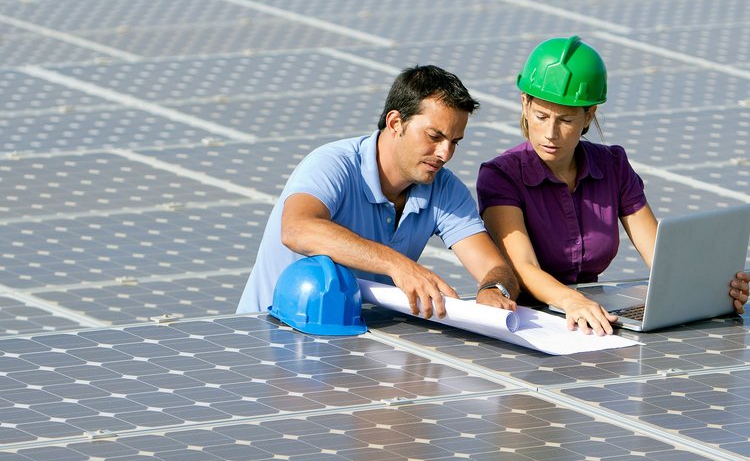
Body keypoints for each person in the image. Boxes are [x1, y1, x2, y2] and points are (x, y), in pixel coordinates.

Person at [476, 35, 750, 336]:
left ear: (588, 115)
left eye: (566, 120)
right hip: (528, 324)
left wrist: (708, 291)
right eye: (541, 116)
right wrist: (573, 301)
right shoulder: (501, 175)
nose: (550, 133)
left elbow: (659, 254)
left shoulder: (612, 165)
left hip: (592, 319)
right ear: (525, 104)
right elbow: (522, 267)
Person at [237, 64, 520, 319]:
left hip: (348, 336)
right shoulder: (332, 164)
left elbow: (495, 268)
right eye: (434, 136)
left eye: (454, 142)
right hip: (269, 331)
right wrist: (398, 265)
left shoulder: (444, 188)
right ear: (395, 122)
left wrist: (494, 290)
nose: (445, 153)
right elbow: (297, 229)